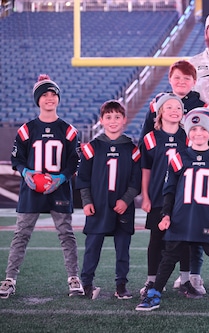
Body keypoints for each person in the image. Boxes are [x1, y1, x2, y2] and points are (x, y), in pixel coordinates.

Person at [135, 108, 209, 313]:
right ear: (188, 132)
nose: (198, 133)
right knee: (168, 259)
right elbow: (169, 190)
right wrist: (165, 214)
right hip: (182, 218)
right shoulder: (179, 158)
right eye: (194, 129)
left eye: (203, 129)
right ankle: (154, 294)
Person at [0, 74, 83, 299]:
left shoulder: (69, 130)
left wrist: (62, 178)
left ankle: (74, 277)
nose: (49, 98)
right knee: (21, 234)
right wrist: (26, 173)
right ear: (38, 99)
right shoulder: (27, 129)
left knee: (66, 234)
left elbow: (74, 161)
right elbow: (16, 159)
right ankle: (10, 278)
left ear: (58, 98)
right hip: (31, 189)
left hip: (60, 188)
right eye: (45, 95)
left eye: (53, 94)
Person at [140, 93, 207, 299]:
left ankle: (185, 280)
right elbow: (146, 169)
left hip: (183, 197)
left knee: (185, 239)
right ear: (160, 112)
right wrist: (145, 196)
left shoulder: (188, 136)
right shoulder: (150, 138)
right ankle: (152, 280)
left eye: (178, 107)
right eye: (168, 107)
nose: (174, 111)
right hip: (158, 196)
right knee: (156, 239)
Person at [76, 100, 141, 300]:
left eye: (117, 117)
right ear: (102, 120)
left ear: (124, 120)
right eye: (108, 117)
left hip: (123, 207)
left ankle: (121, 285)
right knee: (92, 247)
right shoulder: (92, 147)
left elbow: (136, 180)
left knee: (123, 249)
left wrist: (126, 200)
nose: (113, 121)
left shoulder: (132, 148)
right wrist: (86, 201)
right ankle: (86, 283)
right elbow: (83, 178)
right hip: (98, 205)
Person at [139, 59, 207, 139]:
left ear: (194, 82)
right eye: (177, 78)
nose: (181, 81)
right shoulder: (157, 103)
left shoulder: (202, 108)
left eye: (187, 78)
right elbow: (145, 137)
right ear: (170, 79)